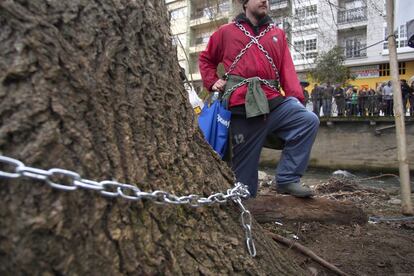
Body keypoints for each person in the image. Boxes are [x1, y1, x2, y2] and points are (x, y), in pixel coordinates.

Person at [198, 0, 319, 198]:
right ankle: (244, 216)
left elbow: (287, 70)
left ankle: (287, 178)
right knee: (245, 187)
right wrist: (212, 81)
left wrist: (296, 99)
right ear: (245, 3)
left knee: (306, 120)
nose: (265, 1)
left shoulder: (277, 35)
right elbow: (206, 59)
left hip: (273, 103)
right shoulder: (226, 32)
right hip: (241, 108)